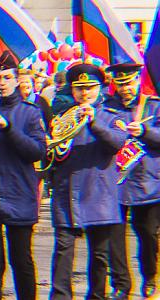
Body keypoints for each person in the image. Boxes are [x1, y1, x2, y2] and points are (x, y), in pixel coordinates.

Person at [48, 63, 128, 299]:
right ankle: (60, 295)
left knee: (99, 255)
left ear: (100, 88)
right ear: (72, 90)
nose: (85, 93)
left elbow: (116, 143)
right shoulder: (64, 116)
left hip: (98, 192)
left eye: (90, 87)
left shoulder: (113, 116)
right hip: (68, 191)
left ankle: (97, 295)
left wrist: (94, 123)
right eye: (79, 88)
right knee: (63, 250)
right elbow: (55, 156)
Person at [0, 51, 46, 300]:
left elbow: (37, 151)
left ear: (17, 80)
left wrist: (9, 128)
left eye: (6, 77)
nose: (1, 82)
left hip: (18, 196)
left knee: (21, 261)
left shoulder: (30, 112)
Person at [105, 62, 160, 298]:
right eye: (120, 83)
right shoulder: (107, 108)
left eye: (129, 82)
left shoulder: (152, 105)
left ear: (138, 80)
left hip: (147, 182)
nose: (125, 88)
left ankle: (150, 277)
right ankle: (121, 284)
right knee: (113, 238)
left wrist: (145, 132)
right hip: (114, 181)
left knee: (148, 234)